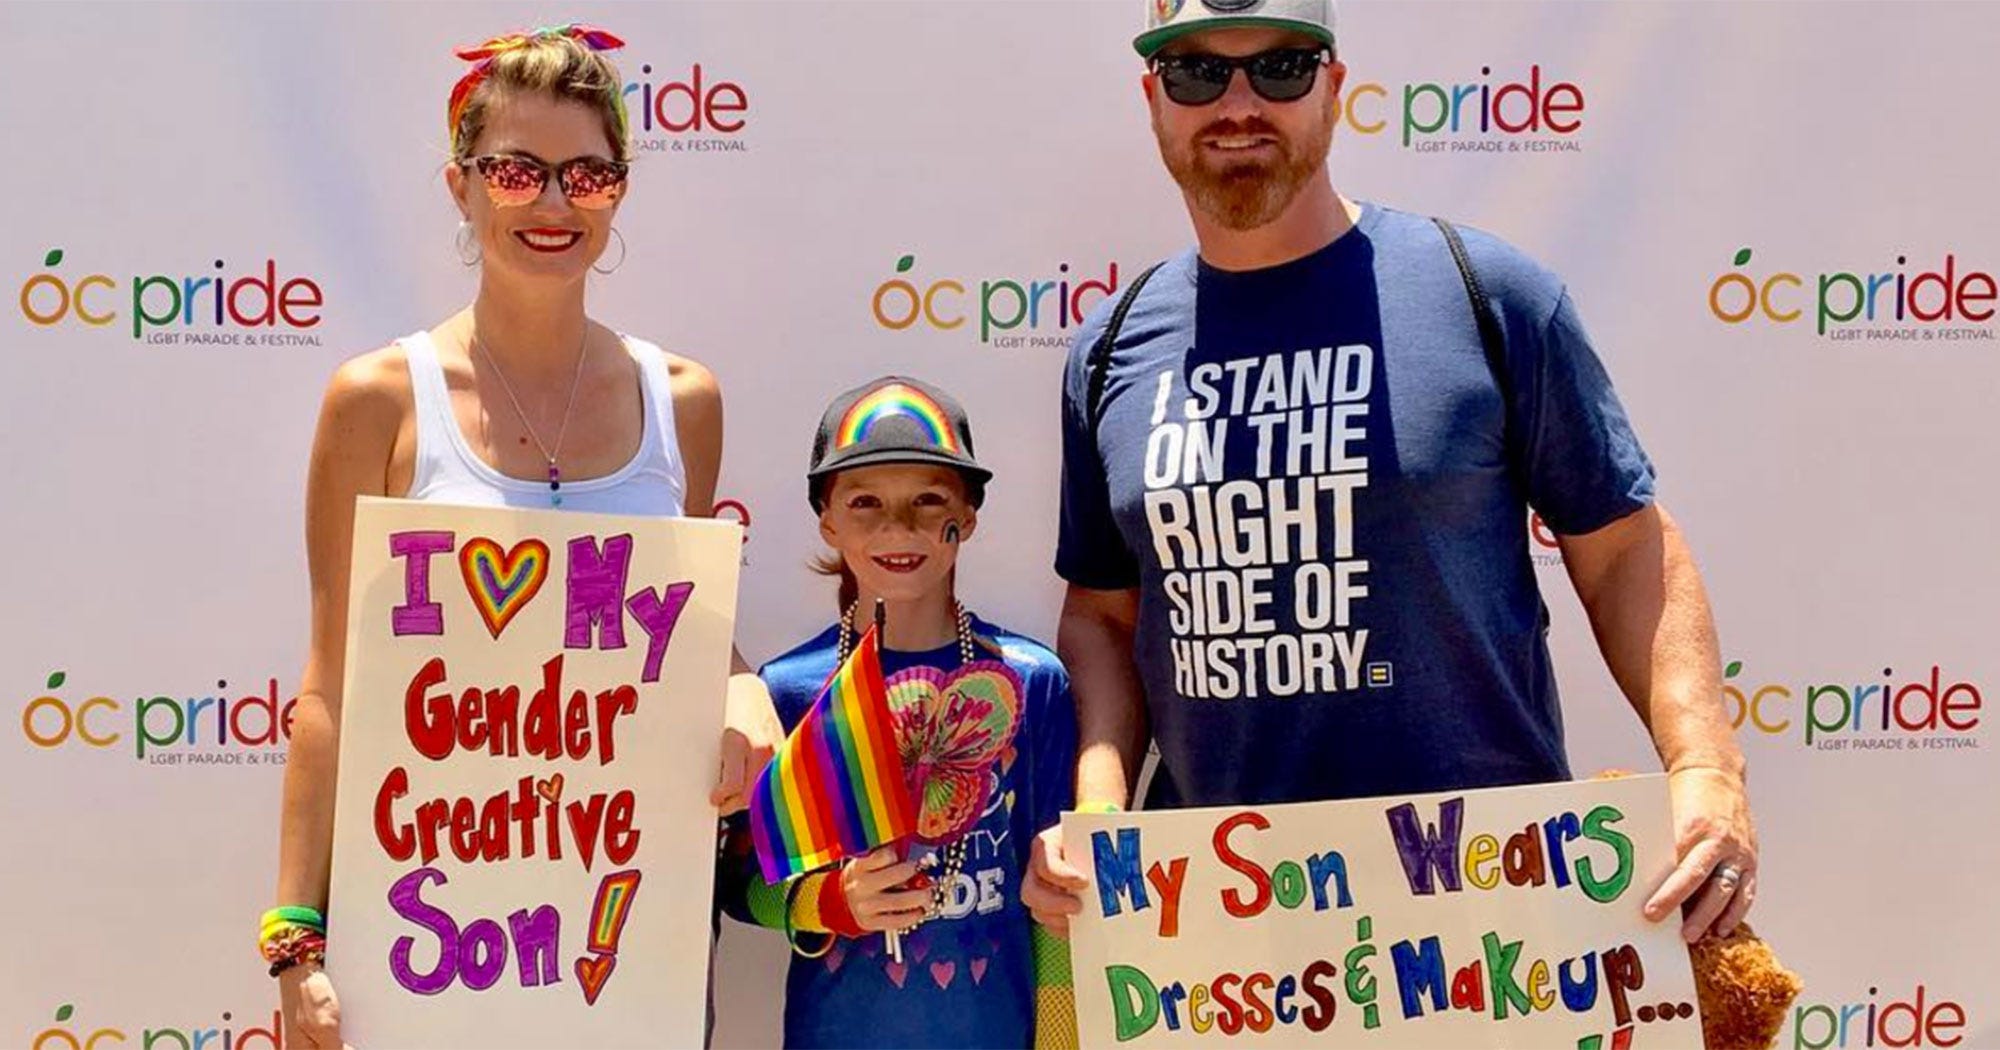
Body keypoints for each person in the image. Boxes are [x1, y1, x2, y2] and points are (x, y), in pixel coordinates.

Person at [1024, 0, 1756, 949]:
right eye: (1197, 74)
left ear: (1333, 87)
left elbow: (1624, 551)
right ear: (1154, 100)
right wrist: (1098, 808)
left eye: (1280, 68)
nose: (1238, 104)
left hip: (1487, 911)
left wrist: (1705, 767)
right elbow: (1104, 614)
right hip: (1218, 931)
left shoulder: (1484, 293)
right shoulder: (1111, 348)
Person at [267, 25, 780, 1047]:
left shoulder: (682, 402)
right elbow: (330, 687)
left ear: (618, 192)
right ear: (461, 186)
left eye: (587, 174)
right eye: (516, 172)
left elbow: (677, 634)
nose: (553, 204)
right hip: (424, 931)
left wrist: (742, 690)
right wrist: (295, 937)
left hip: (629, 936)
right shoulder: (378, 400)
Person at [718, 376, 1078, 1048]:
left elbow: (1058, 896)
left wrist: (1061, 1040)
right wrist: (831, 901)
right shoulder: (788, 692)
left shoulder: (1032, 682)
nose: (897, 528)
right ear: (826, 519)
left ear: (968, 516)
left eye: (928, 500)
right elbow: (738, 883)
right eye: (865, 502)